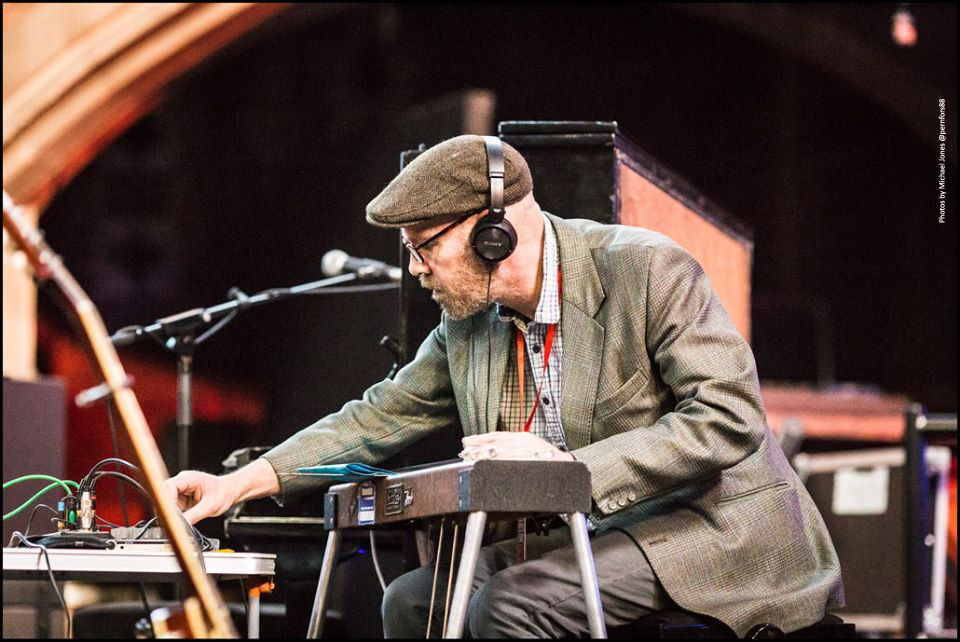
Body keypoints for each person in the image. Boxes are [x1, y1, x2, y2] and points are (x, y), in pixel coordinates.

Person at [164, 135, 844, 638]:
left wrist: (573, 470)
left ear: (493, 233)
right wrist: (239, 482)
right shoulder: (468, 325)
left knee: (511, 604)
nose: (418, 271)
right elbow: (376, 417)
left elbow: (728, 419)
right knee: (410, 601)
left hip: (712, 531)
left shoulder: (647, 270)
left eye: (424, 248)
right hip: (607, 537)